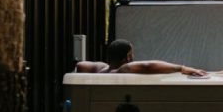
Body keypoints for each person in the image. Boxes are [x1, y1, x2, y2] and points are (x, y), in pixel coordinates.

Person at [75, 39, 207, 76]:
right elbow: (148, 66)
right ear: (127, 57)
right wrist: (182, 68)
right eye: (131, 54)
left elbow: (80, 65)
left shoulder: (100, 69)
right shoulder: (121, 71)